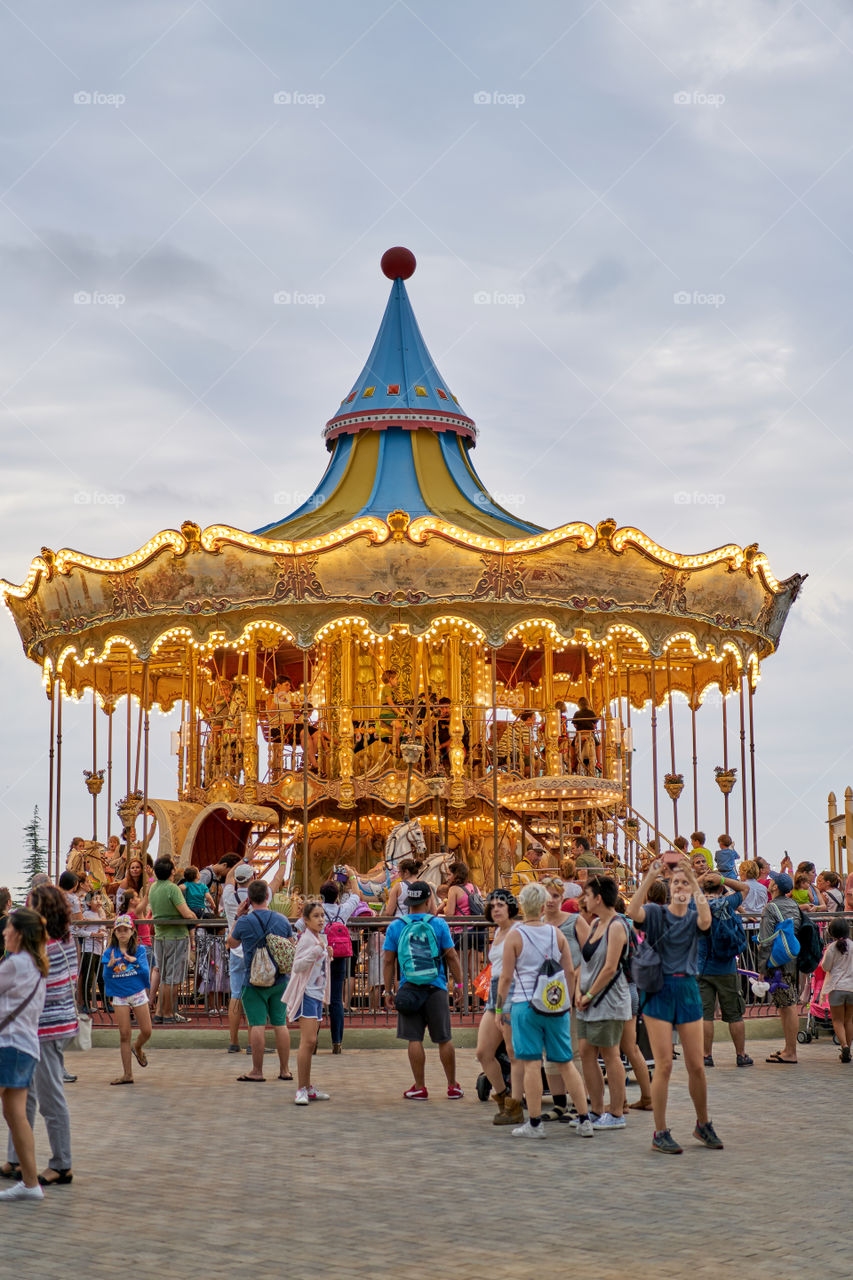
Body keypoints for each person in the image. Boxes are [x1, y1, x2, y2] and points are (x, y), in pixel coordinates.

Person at [627, 858, 721, 1155]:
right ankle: (660, 1131)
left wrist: (693, 881)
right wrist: (652, 874)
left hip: (688, 988)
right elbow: (631, 911)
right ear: (668, 888)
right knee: (664, 1065)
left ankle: (703, 1123)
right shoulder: (655, 913)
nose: (679, 886)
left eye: (684, 883)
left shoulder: (694, 915)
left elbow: (706, 922)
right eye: (675, 882)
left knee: (696, 1065)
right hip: (660, 989)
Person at [496, 882, 592, 1139]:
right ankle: (584, 1118)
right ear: (541, 905)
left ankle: (535, 1123)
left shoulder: (515, 936)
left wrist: (498, 1008)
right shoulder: (555, 934)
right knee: (566, 1063)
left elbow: (506, 977)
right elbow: (570, 970)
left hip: (524, 1004)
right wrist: (568, 1002)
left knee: (530, 1064)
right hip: (555, 1005)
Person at [2, 886, 76, 1187]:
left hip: (47, 1028)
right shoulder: (61, 941)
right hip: (40, 1029)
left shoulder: (51, 947)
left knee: (48, 1096)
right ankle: (17, 1159)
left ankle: (61, 1163)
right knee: (24, 1097)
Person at [382, 881, 464, 1101]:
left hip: (409, 988)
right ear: (429, 900)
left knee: (414, 1038)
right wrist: (458, 985)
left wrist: (388, 990)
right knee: (444, 1038)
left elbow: (389, 960)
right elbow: (452, 956)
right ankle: (452, 1086)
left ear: (409, 901)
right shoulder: (438, 925)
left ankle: (419, 1086)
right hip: (436, 986)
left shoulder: (396, 926)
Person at [574, 874, 633, 1130]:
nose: (584, 899)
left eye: (587, 895)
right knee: (587, 1051)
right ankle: (596, 1108)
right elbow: (585, 962)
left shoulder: (617, 926)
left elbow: (610, 967)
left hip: (607, 998)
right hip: (588, 997)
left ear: (598, 898)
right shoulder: (597, 922)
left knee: (610, 1054)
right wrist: (578, 990)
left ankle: (617, 1112)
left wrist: (588, 994)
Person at [0, 908, 49, 1202]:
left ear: (19, 933)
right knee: (16, 1115)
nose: (4, 932)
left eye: (8, 928)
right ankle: (30, 1184)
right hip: (26, 1046)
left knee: (15, 1114)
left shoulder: (16, 963)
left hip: (8, 1044)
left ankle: (30, 1185)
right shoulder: (36, 964)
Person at [227, 879, 292, 1084]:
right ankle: (285, 1069)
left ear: (249, 900)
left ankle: (257, 1070)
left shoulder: (245, 921)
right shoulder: (281, 920)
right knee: (280, 1024)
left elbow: (232, 942)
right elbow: (290, 944)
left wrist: (238, 915)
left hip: (252, 980)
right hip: (279, 979)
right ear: (267, 897)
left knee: (257, 1025)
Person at [474, 890, 522, 1126]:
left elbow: (509, 973)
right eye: (492, 906)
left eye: (501, 905)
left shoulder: (517, 931)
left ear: (510, 907)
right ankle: (503, 1098)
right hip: (495, 993)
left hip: (510, 991)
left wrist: (502, 1005)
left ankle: (516, 1104)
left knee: (513, 1052)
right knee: (483, 1051)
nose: (496, 909)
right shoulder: (498, 931)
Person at [696, 872, 753, 1069]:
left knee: (706, 1015)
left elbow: (682, 892)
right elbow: (745, 888)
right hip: (727, 967)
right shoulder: (728, 903)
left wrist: (700, 880)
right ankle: (741, 1054)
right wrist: (722, 879)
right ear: (721, 888)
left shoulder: (696, 905)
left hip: (703, 967)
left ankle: (706, 1055)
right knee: (735, 1015)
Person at [304, 875, 364, 1054]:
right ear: (337, 896)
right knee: (336, 999)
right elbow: (357, 894)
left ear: (321, 897)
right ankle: (337, 1042)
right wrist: (352, 875)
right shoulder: (343, 910)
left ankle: (312, 1042)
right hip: (339, 955)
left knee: (316, 997)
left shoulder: (316, 911)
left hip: (320, 955)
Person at [285, 901, 331, 1104]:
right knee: (308, 1041)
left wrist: (327, 954)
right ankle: (301, 1089)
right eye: (316, 916)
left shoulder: (318, 938)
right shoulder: (306, 940)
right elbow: (297, 966)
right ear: (306, 919)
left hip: (316, 993)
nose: (321, 919)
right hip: (307, 994)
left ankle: (308, 1086)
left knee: (311, 1042)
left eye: (322, 915)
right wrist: (316, 952)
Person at [101, 915, 152, 1086]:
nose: (122, 933)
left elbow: (145, 972)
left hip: (137, 992)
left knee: (147, 1031)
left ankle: (137, 1047)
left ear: (132, 932)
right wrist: (109, 966)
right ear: (114, 932)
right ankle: (127, 1074)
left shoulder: (140, 950)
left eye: (126, 929)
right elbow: (106, 978)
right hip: (120, 995)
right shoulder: (109, 953)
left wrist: (134, 962)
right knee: (124, 1034)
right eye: (119, 930)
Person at [758, 872, 800, 1065]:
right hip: (792, 959)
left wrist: (761, 967)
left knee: (788, 1005)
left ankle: (791, 1051)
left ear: (775, 887)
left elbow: (765, 940)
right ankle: (788, 1048)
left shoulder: (771, 907)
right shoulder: (793, 905)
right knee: (786, 1004)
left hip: (777, 962)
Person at [149, 858, 196, 1025]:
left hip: (160, 936)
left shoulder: (153, 887)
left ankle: (161, 1012)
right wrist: (193, 915)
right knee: (173, 978)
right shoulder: (172, 888)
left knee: (164, 976)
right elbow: (186, 913)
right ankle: (169, 1013)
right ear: (172, 872)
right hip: (176, 937)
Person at [222, 862, 254, 1053]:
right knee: (253, 995)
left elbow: (227, 878)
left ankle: (234, 1041)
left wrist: (244, 858)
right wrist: (282, 862)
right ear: (252, 878)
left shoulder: (228, 896)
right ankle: (253, 1042)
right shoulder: (259, 896)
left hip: (235, 948)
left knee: (236, 994)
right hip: (252, 949)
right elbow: (275, 882)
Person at [820, 918, 853, 1062]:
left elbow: (825, 967)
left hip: (836, 988)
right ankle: (849, 1050)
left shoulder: (831, 948)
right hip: (851, 988)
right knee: (849, 1020)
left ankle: (844, 1046)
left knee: (837, 1020)